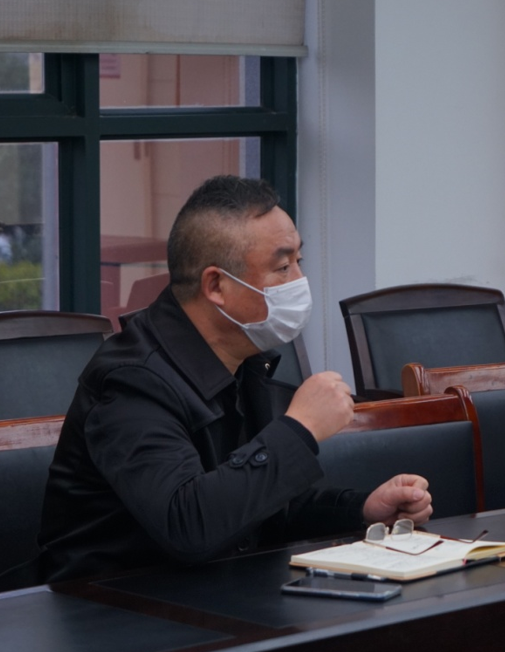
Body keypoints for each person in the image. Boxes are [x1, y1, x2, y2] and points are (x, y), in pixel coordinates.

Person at [38, 176, 433, 582]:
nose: (299, 281)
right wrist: (299, 430)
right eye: (283, 267)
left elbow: (260, 507)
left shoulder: (246, 359)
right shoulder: (132, 382)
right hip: (113, 605)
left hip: (218, 593)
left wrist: (362, 509)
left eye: (299, 261)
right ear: (216, 285)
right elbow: (188, 526)